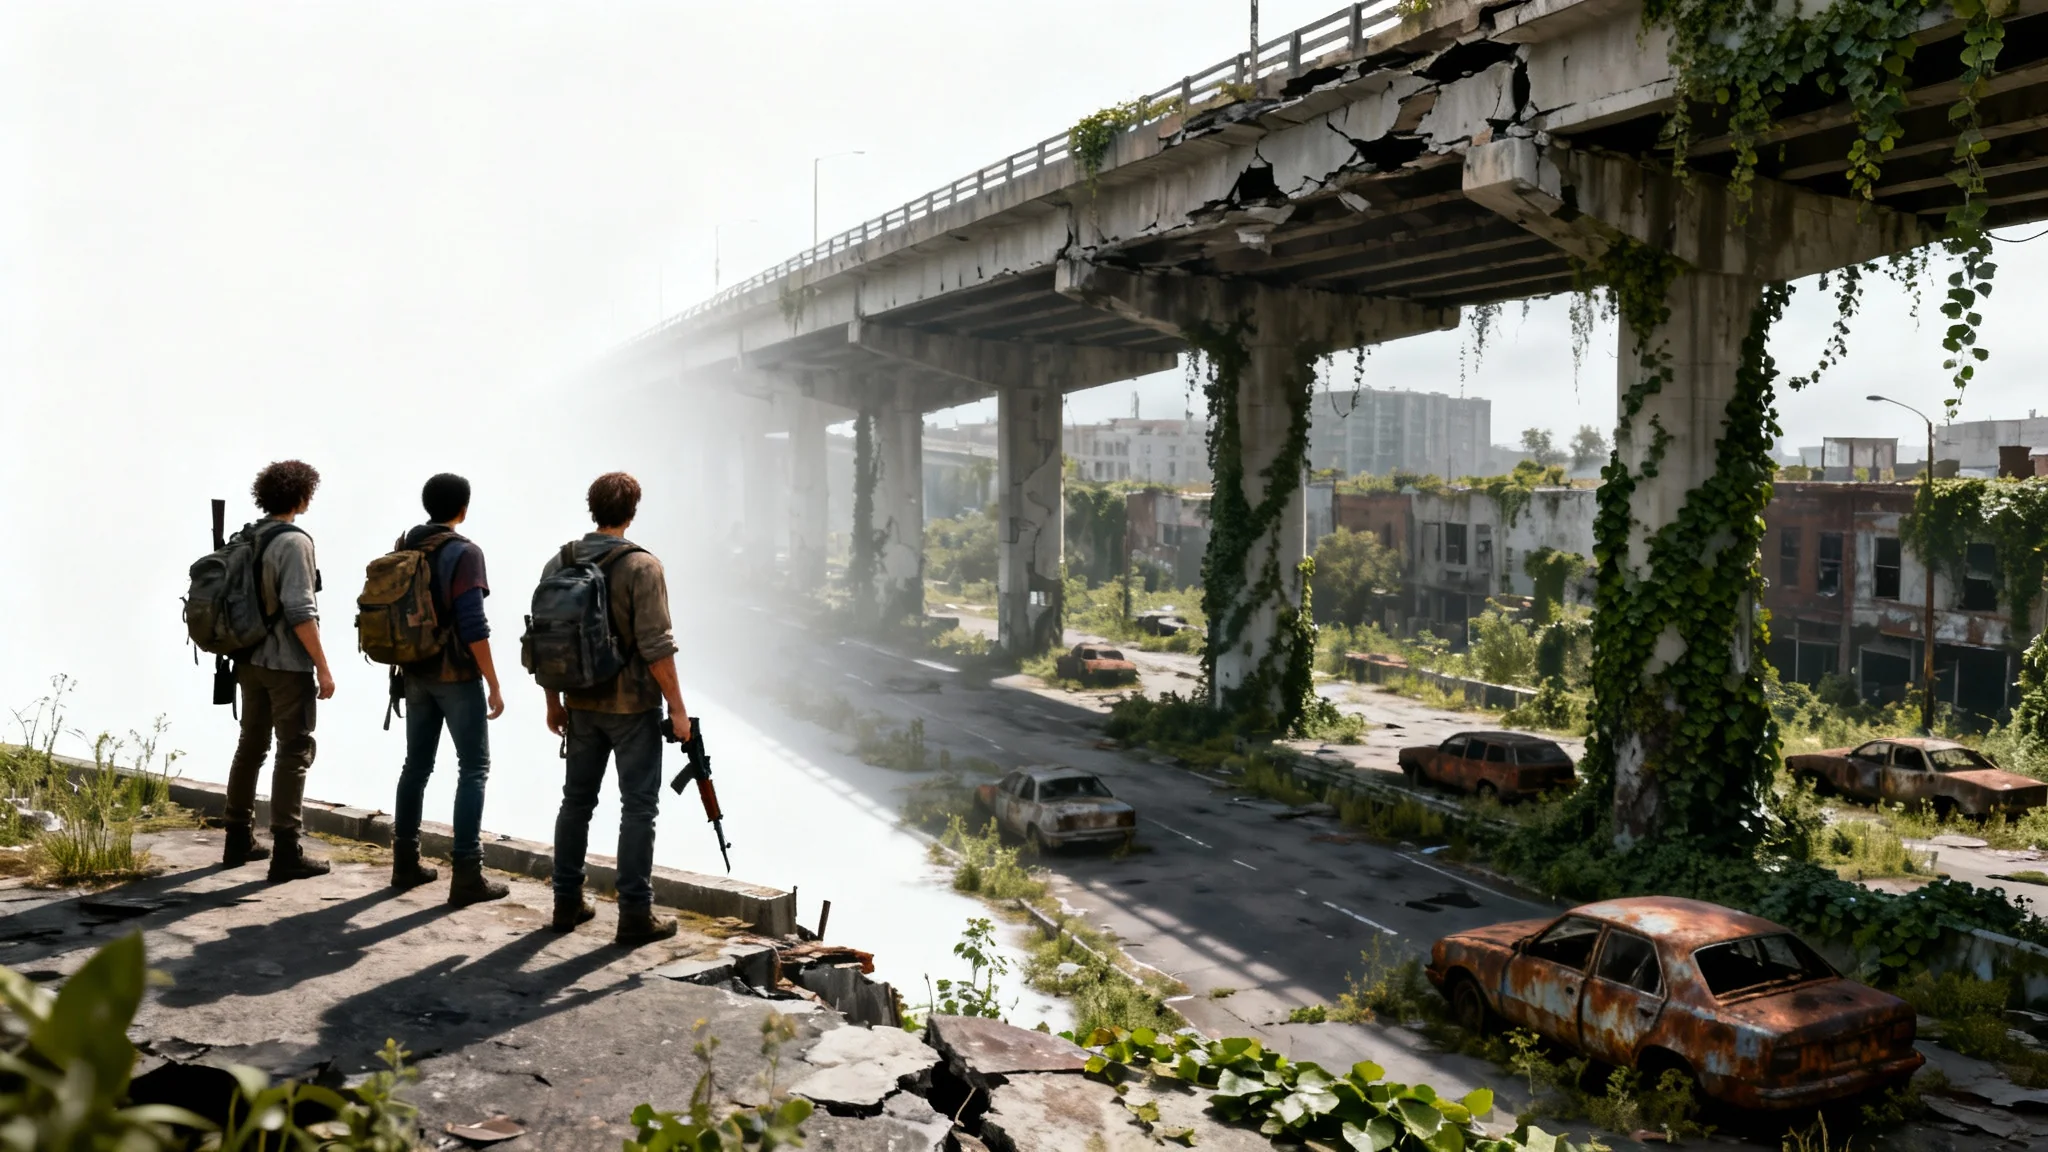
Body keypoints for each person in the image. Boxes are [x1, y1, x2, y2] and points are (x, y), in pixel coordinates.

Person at [544, 471, 691, 946]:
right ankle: (634, 915)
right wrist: (679, 710)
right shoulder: (642, 566)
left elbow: (546, 641)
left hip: (579, 703)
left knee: (576, 803)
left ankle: (566, 903)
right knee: (639, 809)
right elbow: (657, 647)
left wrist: (553, 702)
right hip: (631, 708)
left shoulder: (559, 561)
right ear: (632, 511)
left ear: (593, 508)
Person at [389, 473, 511, 906]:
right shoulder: (464, 553)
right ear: (463, 508)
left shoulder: (408, 545)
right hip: (456, 676)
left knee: (416, 767)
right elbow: (473, 624)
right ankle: (466, 874)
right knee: (474, 767)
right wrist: (494, 682)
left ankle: (405, 863)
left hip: (414, 672)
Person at [222, 460, 334, 882]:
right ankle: (287, 848)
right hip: (286, 663)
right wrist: (323, 668)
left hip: (247, 659)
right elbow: (301, 611)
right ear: (302, 496)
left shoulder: (248, 536)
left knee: (251, 745)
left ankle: (238, 837)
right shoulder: (294, 543)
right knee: (294, 750)